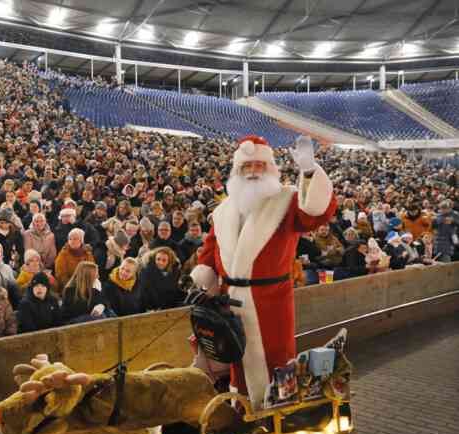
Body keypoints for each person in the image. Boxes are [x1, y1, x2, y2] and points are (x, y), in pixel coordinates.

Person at [191, 135, 337, 407]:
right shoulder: (223, 211)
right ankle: (242, 408)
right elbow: (210, 249)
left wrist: (309, 171)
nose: (254, 171)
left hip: (272, 300)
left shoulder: (287, 200)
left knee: (276, 358)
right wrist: (204, 277)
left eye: (259, 165)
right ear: (237, 171)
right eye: (247, 166)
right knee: (239, 359)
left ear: (270, 168)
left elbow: (315, 214)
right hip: (230, 299)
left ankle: (281, 410)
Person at [140, 247, 183, 312]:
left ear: (169, 261)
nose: (160, 262)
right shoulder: (146, 271)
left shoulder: (175, 272)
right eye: (158, 259)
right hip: (151, 308)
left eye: (164, 260)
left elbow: (175, 291)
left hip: (170, 308)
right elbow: (146, 291)